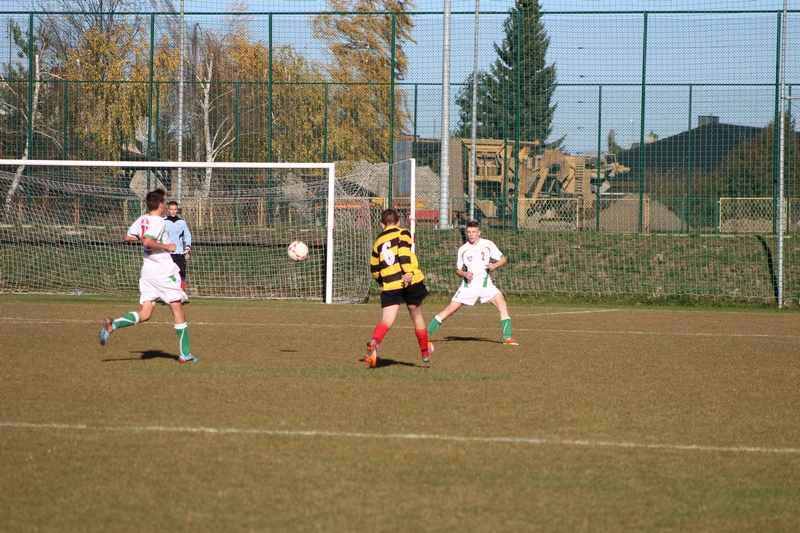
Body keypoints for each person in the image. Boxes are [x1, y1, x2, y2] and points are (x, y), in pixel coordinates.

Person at [98, 189, 198, 363]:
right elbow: (148, 241)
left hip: (148, 272)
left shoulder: (142, 219)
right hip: (162, 271)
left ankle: (113, 324)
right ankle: (185, 354)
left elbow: (128, 237)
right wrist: (167, 246)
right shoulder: (159, 221)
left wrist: (144, 239)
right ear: (161, 205)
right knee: (178, 310)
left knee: (145, 314)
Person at [427, 219, 518, 345]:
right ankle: (425, 334)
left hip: (486, 285)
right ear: (466, 232)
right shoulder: (463, 249)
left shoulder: (488, 245)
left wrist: (495, 265)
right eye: (469, 232)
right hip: (468, 287)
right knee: (450, 309)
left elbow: (503, 259)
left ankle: (507, 338)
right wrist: (464, 273)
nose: (471, 234)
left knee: (501, 302)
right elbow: (458, 270)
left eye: (474, 232)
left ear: (479, 232)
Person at [365, 208, 433, 368]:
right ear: (398, 222)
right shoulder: (403, 232)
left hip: (390, 283)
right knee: (417, 316)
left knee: (387, 320)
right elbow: (403, 253)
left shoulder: (378, 241)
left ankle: (375, 342)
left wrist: (383, 282)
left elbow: (374, 268)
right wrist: (408, 272)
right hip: (409, 281)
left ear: (382, 224)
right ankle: (425, 353)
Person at [164, 200, 192, 291]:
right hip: (167, 253)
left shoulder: (181, 222)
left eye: (175, 209)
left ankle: (180, 293)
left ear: (177, 210)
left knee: (182, 273)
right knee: (167, 274)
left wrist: (188, 246)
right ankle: (168, 293)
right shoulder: (163, 221)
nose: (173, 211)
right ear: (168, 210)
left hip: (179, 252)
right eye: (171, 209)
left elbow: (187, 235)